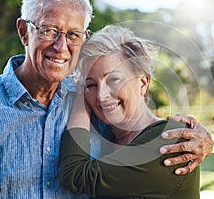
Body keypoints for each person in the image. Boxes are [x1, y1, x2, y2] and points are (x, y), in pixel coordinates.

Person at [0, 0, 213, 198]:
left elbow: (80, 175)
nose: (60, 46)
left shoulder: (92, 106)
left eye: (73, 35)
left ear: (143, 83)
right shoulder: (89, 103)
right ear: (23, 32)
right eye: (48, 30)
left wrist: (200, 138)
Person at [59, 25, 202, 198]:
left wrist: (80, 96)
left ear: (143, 83)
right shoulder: (107, 139)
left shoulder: (168, 140)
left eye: (113, 79)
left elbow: (75, 175)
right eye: (91, 85)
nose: (101, 95)